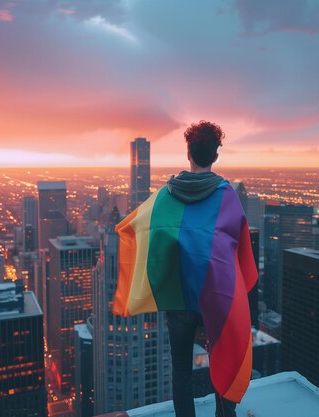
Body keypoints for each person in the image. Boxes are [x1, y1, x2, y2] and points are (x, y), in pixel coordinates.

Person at [113, 121, 258, 417]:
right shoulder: (226, 195)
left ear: (188, 153)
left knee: (180, 368)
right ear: (215, 156)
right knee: (223, 353)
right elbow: (241, 245)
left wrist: (124, 231)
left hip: (179, 299)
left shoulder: (167, 194)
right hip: (215, 295)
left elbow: (147, 227)